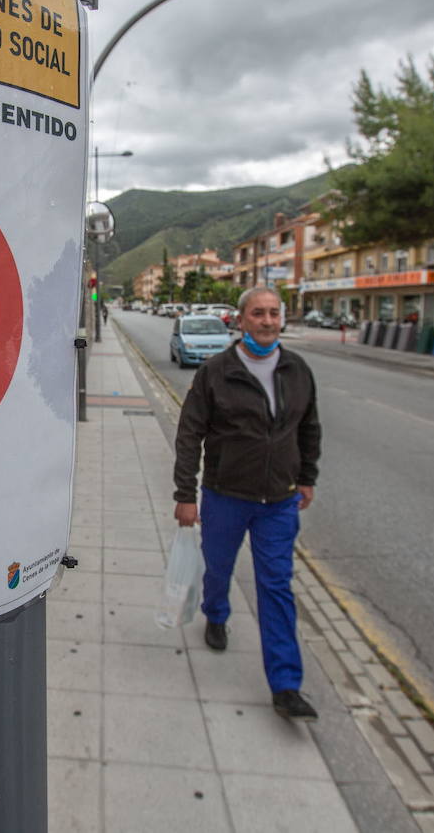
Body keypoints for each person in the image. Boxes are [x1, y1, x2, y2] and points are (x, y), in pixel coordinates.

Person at [172, 286, 322, 720]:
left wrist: (307, 477)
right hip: (226, 496)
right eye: (258, 313)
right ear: (240, 321)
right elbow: (190, 434)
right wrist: (185, 494)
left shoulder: (297, 370)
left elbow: (309, 427)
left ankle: (286, 685)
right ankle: (216, 613)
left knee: (276, 586)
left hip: (279, 500)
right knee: (218, 569)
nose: (267, 321)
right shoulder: (217, 372)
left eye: (274, 313)